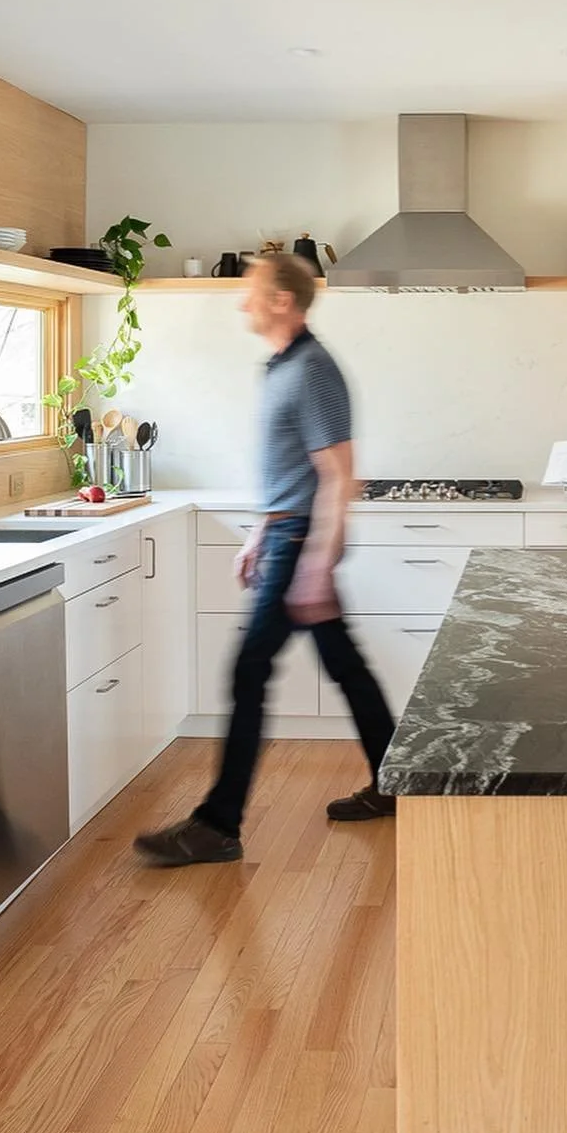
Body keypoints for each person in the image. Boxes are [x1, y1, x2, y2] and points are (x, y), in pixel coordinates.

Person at [135, 252, 397, 866]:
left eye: (251, 291)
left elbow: (340, 476)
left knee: (248, 671)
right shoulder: (279, 368)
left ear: (283, 300)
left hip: (301, 546)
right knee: (346, 667)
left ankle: (217, 825)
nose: (241, 301)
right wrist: (260, 532)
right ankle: (395, 784)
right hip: (286, 536)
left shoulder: (314, 371)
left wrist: (313, 564)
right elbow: (294, 473)